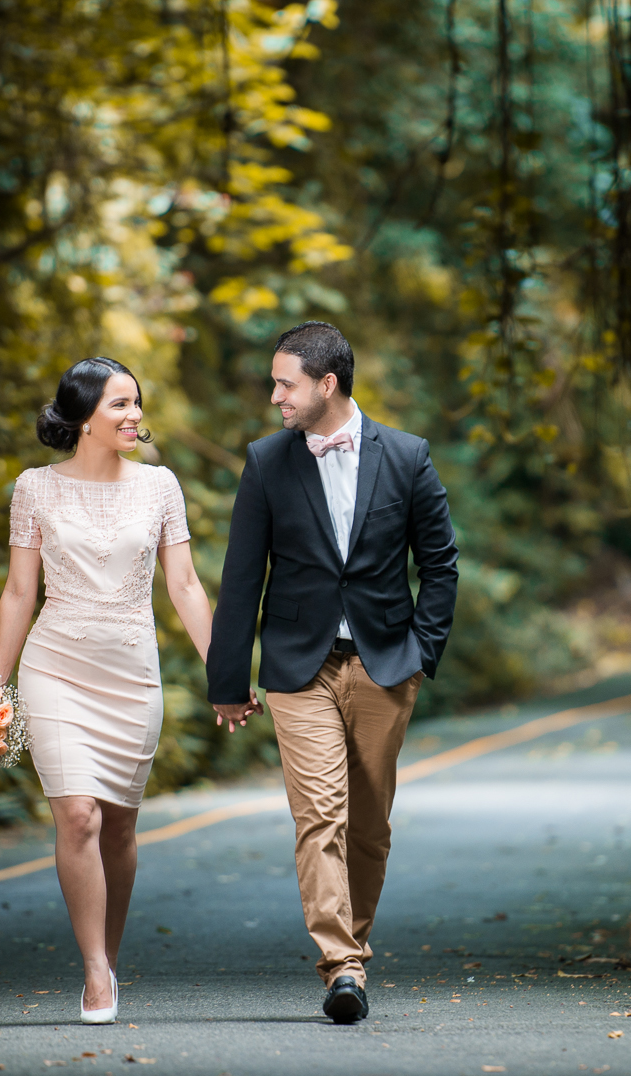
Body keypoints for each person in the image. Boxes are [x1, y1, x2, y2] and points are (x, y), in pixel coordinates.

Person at [207, 321, 459, 1024]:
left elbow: (439, 564)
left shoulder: (408, 456)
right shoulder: (265, 462)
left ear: (326, 383)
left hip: (384, 664)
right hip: (297, 665)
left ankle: (354, 943)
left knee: (369, 823)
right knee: (320, 813)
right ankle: (342, 966)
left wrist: (422, 650)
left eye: (284, 383)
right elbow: (241, 577)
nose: (273, 397)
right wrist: (228, 678)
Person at [0, 357, 213, 1025]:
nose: (134, 415)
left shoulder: (160, 486)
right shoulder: (34, 488)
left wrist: (220, 668)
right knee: (78, 816)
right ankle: (93, 971)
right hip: (55, 666)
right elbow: (19, 592)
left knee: (117, 825)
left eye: (136, 402)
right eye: (119, 404)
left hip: (131, 674)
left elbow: (184, 586)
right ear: (84, 416)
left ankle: (108, 958)